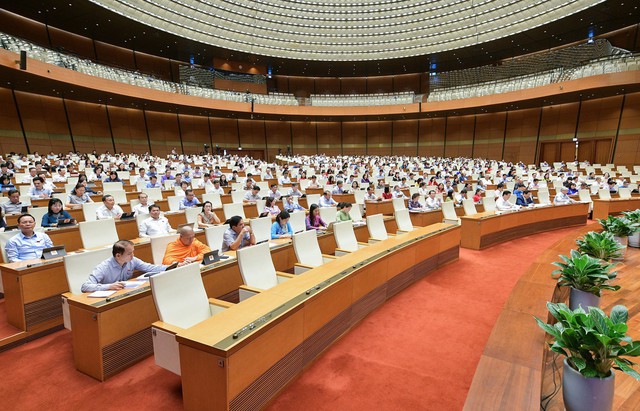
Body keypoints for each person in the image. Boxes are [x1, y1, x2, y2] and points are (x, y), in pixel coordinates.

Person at [80, 240, 170, 292]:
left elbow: (149, 267)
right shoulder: (104, 267)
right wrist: (109, 286)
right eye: (129, 253)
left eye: (133, 252)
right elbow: (85, 287)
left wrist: (171, 267)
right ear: (118, 255)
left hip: (123, 292)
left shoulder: (132, 260)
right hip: (107, 297)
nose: (133, 255)